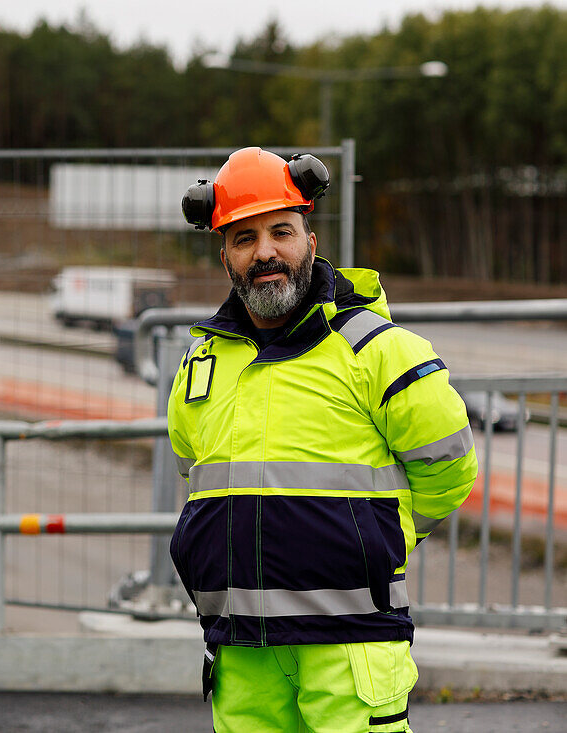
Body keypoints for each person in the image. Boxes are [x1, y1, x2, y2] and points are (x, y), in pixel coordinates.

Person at [170, 147, 478, 732]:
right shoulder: (201, 365)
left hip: (348, 646)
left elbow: (450, 469)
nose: (265, 252)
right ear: (225, 256)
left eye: (280, 231)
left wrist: (379, 536)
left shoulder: (379, 350)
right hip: (241, 652)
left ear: (310, 240)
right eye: (244, 238)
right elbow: (195, 469)